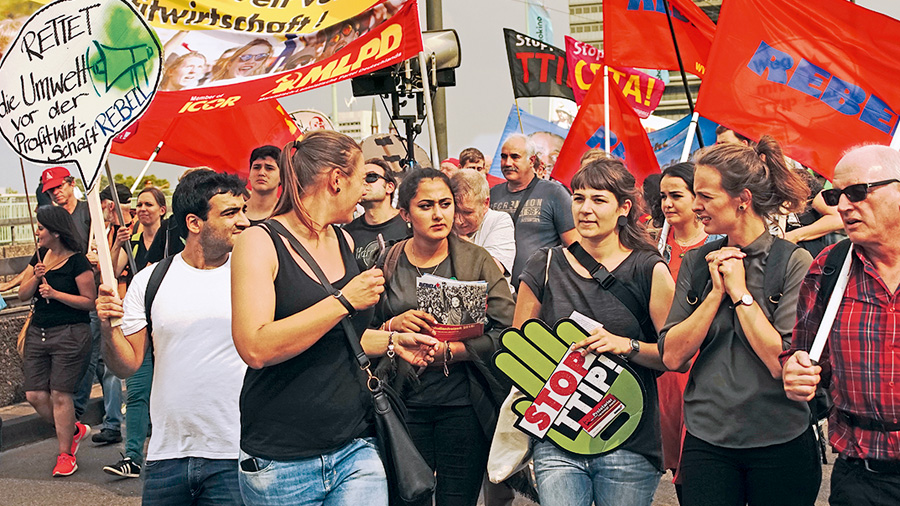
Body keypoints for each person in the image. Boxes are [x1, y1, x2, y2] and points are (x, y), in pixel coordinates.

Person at [230, 131, 438, 506]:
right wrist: (344, 300)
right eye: (362, 178)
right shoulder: (259, 241)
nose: (364, 192)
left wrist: (393, 341)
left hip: (355, 444)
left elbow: (341, 336)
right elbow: (255, 347)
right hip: (282, 458)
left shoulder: (344, 241)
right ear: (337, 180)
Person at [659, 137, 821, 506]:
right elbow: (672, 356)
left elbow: (782, 363)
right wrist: (714, 294)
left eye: (706, 196)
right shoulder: (699, 262)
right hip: (707, 439)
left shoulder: (792, 262)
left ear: (742, 199)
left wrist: (740, 292)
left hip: (779, 438)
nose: (695, 206)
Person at [514, 158, 675, 506]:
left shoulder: (648, 268)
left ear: (624, 208)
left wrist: (625, 345)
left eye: (599, 199)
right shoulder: (544, 264)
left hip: (628, 440)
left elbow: (674, 356)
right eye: (578, 198)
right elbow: (520, 348)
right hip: (558, 437)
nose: (585, 209)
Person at [96, 170, 251, 504]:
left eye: (243, 210)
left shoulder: (254, 278)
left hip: (235, 454)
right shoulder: (149, 281)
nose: (244, 221)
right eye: (230, 213)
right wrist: (109, 329)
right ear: (194, 222)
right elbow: (126, 365)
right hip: (166, 457)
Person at [375, 168, 515, 506]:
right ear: (405, 214)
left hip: (463, 405)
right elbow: (364, 331)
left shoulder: (477, 260)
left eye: (445, 203)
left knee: (458, 499)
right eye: (426, 206)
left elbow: (508, 331)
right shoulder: (388, 261)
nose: (439, 214)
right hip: (403, 402)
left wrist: (454, 351)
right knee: (408, 499)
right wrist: (393, 325)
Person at [783, 145, 900, 506]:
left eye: (858, 192)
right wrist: (795, 371)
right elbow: (804, 355)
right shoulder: (829, 267)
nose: (844, 206)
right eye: (836, 196)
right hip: (861, 477)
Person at [655, 162, 720, 504]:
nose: (667, 203)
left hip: (700, 364)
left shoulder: (716, 247)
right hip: (663, 364)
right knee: (670, 452)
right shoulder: (651, 247)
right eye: (663, 196)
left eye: (676, 195)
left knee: (697, 457)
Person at [19, 206, 96, 477]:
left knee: (61, 394)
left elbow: (89, 301)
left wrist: (56, 293)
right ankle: (72, 429)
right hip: (39, 331)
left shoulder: (78, 262)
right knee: (35, 394)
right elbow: (22, 294)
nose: (37, 232)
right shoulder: (39, 257)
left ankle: (66, 454)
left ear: (55, 232)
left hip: (70, 332)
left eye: (41, 228)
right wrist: (36, 277)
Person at [102, 186, 169, 479]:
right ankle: (132, 455)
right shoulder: (133, 241)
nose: (141, 209)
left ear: (162, 210)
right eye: (138, 204)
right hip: (139, 324)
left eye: (148, 204)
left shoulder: (172, 241)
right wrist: (118, 244)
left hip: (166, 324)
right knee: (137, 391)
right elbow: (112, 272)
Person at [73, 184, 130, 447]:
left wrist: (113, 248)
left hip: (118, 301)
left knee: (109, 365)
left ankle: (111, 422)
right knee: (97, 360)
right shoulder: (99, 229)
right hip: (100, 301)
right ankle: (108, 419)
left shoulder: (124, 231)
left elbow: (114, 270)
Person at [490, 134, 577, 288]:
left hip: (542, 292)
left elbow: (574, 246)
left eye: (515, 157)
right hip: (499, 292)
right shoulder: (492, 194)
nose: (508, 163)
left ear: (531, 161)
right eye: (504, 157)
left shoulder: (554, 193)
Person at [344, 158, 411, 269]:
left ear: (390, 187)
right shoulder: (347, 233)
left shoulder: (410, 223)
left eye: (371, 177)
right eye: (359, 179)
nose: (364, 183)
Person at [450, 169, 515, 281]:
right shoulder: (443, 223)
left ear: (485, 204)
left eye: (467, 212)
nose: (458, 221)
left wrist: (461, 240)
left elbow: (492, 272)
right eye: (454, 211)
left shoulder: (499, 220)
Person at [40, 166, 90, 248]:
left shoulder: (89, 210)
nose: (55, 192)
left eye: (60, 186)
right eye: (51, 190)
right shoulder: (50, 219)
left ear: (72, 183)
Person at [245, 145, 282, 225]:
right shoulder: (234, 211)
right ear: (249, 174)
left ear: (282, 176)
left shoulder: (288, 214)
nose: (261, 173)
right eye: (256, 167)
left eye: (269, 168)